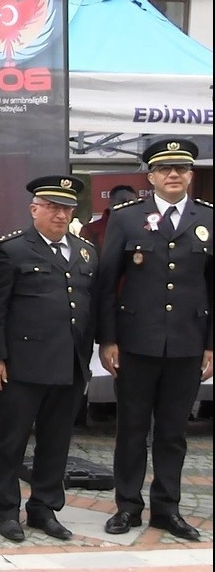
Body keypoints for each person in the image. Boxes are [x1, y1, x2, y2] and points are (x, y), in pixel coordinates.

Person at [97, 138, 212, 541]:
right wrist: (107, 339)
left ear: (191, 175)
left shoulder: (207, 218)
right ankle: (128, 506)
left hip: (187, 343)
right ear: (151, 177)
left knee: (173, 432)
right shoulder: (127, 218)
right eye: (165, 169)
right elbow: (107, 282)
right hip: (135, 342)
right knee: (131, 428)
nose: (173, 175)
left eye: (181, 168)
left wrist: (211, 345)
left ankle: (167, 509)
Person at [0, 175, 98, 542]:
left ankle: (44, 507)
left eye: (66, 208)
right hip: (22, 365)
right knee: (12, 440)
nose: (60, 214)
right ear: (34, 209)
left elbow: (89, 306)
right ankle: (6, 508)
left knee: (56, 441)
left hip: (69, 363)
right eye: (52, 207)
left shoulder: (85, 251)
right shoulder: (11, 249)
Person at [81, 184, 138, 255]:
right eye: (122, 201)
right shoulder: (91, 229)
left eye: (131, 202)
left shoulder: (141, 228)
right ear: (110, 203)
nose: (126, 205)